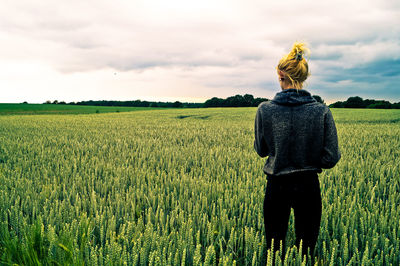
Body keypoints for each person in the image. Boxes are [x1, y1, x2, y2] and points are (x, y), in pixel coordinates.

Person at [254, 42, 341, 258]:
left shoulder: (265, 110)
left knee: (274, 251)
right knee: (307, 252)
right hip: (308, 186)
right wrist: (307, 158)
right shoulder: (321, 111)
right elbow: (331, 157)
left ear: (281, 74)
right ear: (303, 77)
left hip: (276, 187)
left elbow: (261, 150)